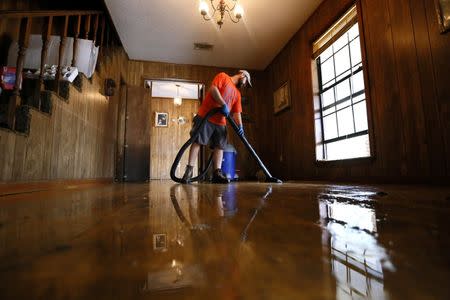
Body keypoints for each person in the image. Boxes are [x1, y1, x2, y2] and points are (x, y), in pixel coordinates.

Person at [182, 70, 252, 184]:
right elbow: (213, 89)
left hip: (221, 122)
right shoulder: (223, 76)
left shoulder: (238, 94)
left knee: (220, 146)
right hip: (205, 116)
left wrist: (240, 126)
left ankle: (217, 174)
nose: (245, 85)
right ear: (242, 75)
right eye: (246, 82)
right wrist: (223, 104)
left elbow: (236, 113)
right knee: (197, 141)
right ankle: (188, 172)